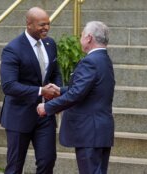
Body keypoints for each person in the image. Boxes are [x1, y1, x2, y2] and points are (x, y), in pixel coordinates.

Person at [37, 21, 115, 174]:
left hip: (89, 133)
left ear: (89, 38)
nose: (80, 40)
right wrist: (60, 90)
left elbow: (76, 94)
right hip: (100, 131)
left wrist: (47, 107)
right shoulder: (104, 59)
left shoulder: (90, 62)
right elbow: (88, 88)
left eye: (81, 36)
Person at [0, 7, 62, 174]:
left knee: (47, 161)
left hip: (45, 115)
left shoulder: (50, 44)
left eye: (48, 24)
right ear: (29, 24)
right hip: (19, 116)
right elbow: (9, 86)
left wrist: (56, 94)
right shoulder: (12, 49)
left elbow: (55, 72)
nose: (46, 28)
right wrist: (41, 91)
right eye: (42, 25)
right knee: (14, 166)